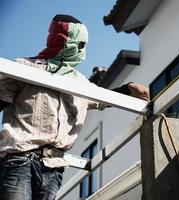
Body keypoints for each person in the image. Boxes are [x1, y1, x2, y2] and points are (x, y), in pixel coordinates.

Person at [0, 14, 149, 200]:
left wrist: (128, 88)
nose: (83, 52)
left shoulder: (80, 83)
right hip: (19, 159)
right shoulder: (23, 69)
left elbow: (102, 99)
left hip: (54, 167)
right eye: (80, 45)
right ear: (62, 42)